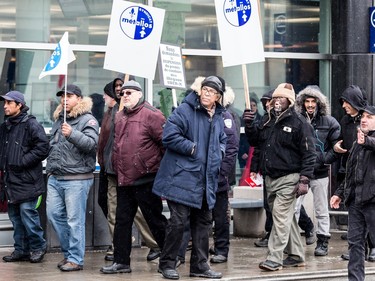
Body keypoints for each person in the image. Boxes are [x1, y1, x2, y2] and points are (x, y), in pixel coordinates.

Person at [153, 76, 226, 280]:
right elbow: (168, 135)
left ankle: (200, 266)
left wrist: (218, 153)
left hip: (205, 180)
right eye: (205, 90)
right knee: (178, 222)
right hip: (181, 177)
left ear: (218, 97)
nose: (207, 94)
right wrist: (192, 148)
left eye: (212, 92)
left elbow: (223, 140)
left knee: (203, 223)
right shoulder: (185, 110)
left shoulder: (219, 116)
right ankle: (167, 263)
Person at [244, 82, 316, 271]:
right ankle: (297, 255)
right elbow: (255, 141)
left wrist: (304, 180)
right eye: (275, 98)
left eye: (281, 98)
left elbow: (310, 154)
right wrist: (249, 124)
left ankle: (274, 258)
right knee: (285, 218)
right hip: (270, 179)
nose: (277, 101)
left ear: (290, 101)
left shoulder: (300, 123)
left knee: (280, 216)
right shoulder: (267, 120)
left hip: (289, 178)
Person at [100, 80, 167, 274]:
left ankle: (171, 256)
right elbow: (118, 145)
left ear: (139, 94)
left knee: (154, 219)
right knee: (122, 221)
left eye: (129, 92)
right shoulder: (120, 116)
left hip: (146, 178)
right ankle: (122, 262)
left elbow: (166, 144)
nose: (125, 95)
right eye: (123, 93)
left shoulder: (153, 115)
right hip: (124, 179)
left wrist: (157, 170)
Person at [46, 84, 99, 271]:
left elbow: (92, 145)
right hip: (55, 177)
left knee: (74, 220)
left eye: (69, 96)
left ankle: (76, 259)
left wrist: (72, 134)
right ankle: (69, 254)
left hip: (77, 178)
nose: (65, 99)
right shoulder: (59, 119)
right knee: (53, 215)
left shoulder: (88, 120)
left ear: (79, 98)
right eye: (62, 96)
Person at [0, 91, 49, 263]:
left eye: (9, 103)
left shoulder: (31, 124)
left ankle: (38, 247)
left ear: (19, 105)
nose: (5, 106)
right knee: (15, 218)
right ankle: (21, 250)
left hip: (28, 182)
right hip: (11, 182)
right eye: (4, 103)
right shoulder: (6, 126)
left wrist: (22, 161)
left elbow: (43, 147)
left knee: (28, 216)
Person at [294, 85, 341, 256]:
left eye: (313, 101)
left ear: (319, 103)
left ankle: (323, 242)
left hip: (320, 173)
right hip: (300, 172)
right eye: (307, 101)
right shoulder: (296, 119)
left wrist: (321, 160)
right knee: (294, 209)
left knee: (321, 209)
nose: (310, 104)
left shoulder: (329, 122)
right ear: (302, 102)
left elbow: (337, 147)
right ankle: (298, 236)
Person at [330, 105, 375, 281]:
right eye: (363, 116)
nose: (364, 119)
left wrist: (368, 142)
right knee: (355, 244)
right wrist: (339, 193)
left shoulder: (366, 141)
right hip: (356, 201)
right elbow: (350, 172)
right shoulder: (358, 143)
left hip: (373, 201)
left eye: (370, 117)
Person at [210, 80, 239, 264]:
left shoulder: (226, 117)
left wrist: (222, 173)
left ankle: (221, 248)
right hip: (201, 175)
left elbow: (231, 148)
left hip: (219, 176)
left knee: (220, 216)